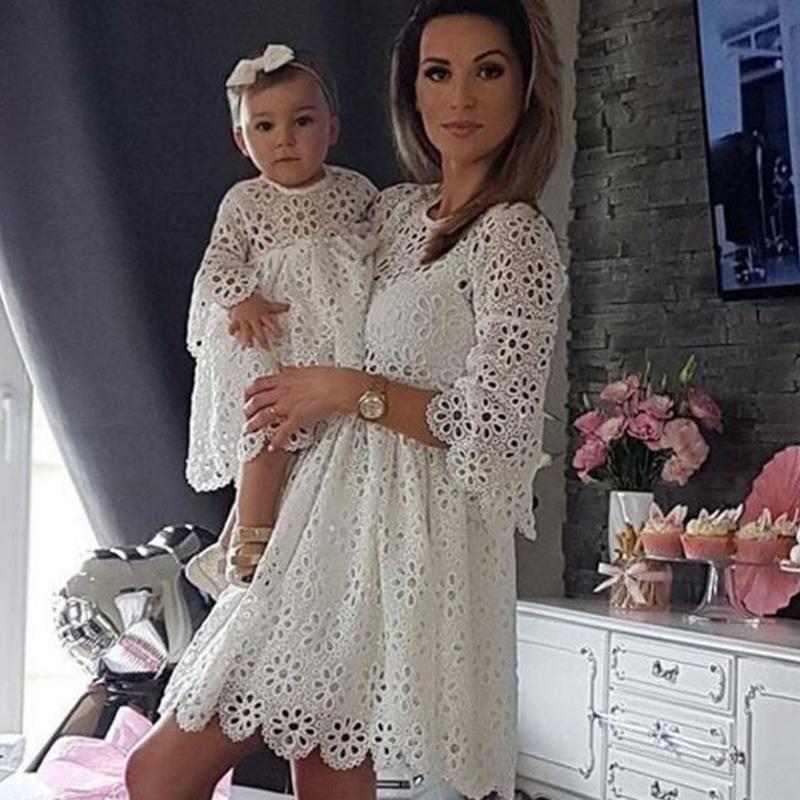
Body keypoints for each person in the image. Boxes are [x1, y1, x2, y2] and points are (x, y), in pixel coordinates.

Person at [125, 1, 565, 798]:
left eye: (488, 71)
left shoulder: (516, 237)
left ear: (526, 87)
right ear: (413, 92)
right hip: (315, 522)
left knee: (160, 774)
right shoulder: (389, 214)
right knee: (278, 776)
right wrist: (252, 512)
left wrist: (345, 391)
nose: (460, 97)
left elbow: (496, 430)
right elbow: (291, 338)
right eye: (439, 73)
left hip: (395, 547)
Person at [182, 44, 376, 597]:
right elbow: (217, 263)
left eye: (302, 121)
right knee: (267, 434)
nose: (284, 138)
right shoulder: (246, 203)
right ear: (243, 141)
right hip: (267, 336)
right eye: (264, 126)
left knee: (314, 446)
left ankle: (233, 542)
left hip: (328, 338)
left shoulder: (355, 192)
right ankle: (250, 544)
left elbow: (377, 247)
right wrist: (241, 299)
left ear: (332, 128)